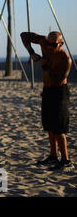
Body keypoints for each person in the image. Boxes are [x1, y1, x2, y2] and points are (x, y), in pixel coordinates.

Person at [20, 31, 74, 172]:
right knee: (49, 125)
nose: (49, 47)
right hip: (47, 90)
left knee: (59, 127)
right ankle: (53, 156)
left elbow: (58, 79)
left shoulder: (65, 59)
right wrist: (31, 52)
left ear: (61, 44)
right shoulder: (44, 42)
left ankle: (66, 160)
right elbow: (24, 35)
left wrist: (44, 65)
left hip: (59, 92)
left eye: (53, 44)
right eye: (48, 43)